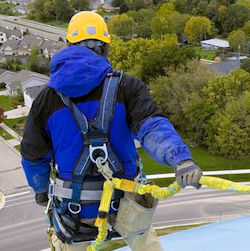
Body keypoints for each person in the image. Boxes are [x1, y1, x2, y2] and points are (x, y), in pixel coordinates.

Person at [21, 11, 202, 251]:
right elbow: (152, 126)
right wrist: (181, 159)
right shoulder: (126, 87)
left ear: (68, 45)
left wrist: (41, 191)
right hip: (128, 211)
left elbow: (33, 156)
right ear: (105, 48)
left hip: (74, 215)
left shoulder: (47, 99)